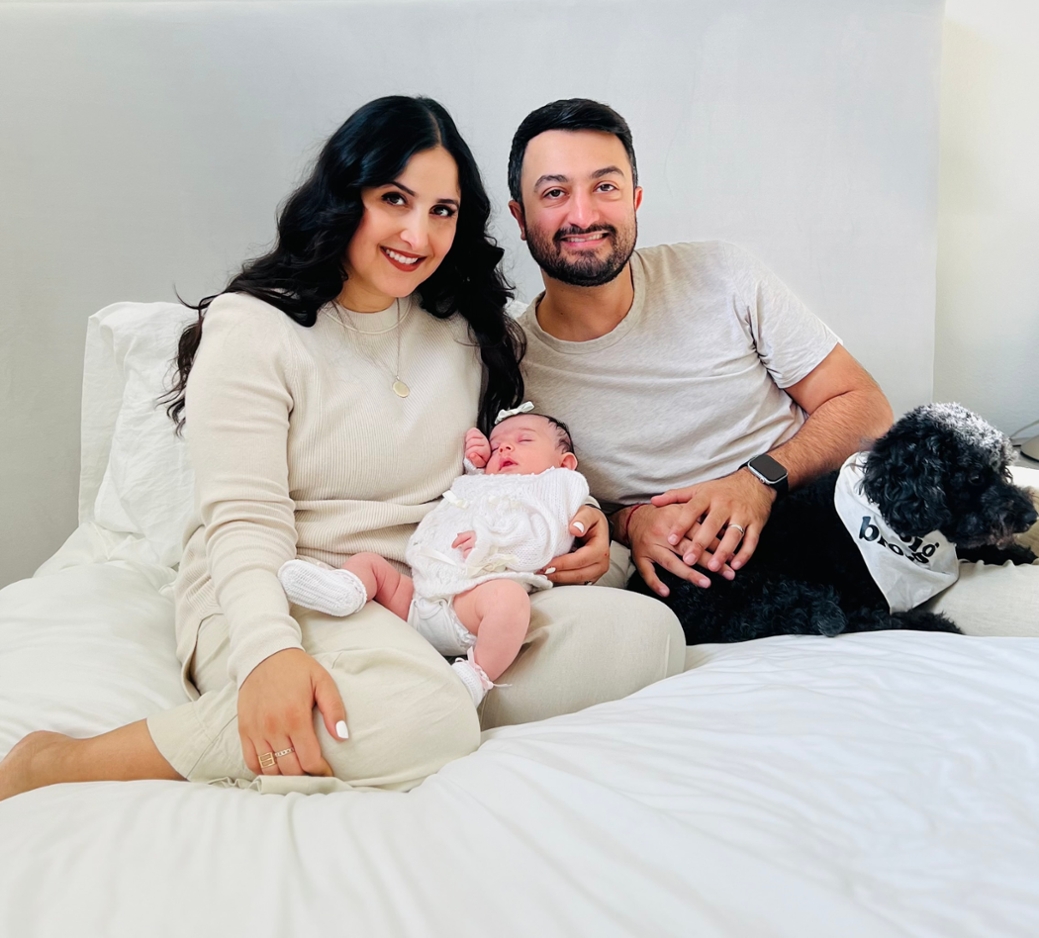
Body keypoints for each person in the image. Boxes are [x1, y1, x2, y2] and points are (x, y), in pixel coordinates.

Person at [0, 96, 684, 803]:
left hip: (426, 599)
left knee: (648, 636)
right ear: (345, 194)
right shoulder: (253, 326)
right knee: (428, 719)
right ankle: (62, 763)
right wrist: (268, 652)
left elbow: (497, 481)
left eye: (442, 211)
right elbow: (243, 519)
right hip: (284, 590)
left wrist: (584, 527)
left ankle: (398, 696)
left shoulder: (464, 332)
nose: (417, 234)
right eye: (394, 199)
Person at [506, 97, 896, 598]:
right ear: (520, 217)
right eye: (555, 193)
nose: (583, 215)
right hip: (690, 578)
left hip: (816, 516)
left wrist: (758, 481)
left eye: (605, 187)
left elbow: (865, 406)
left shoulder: (722, 274)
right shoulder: (511, 366)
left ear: (635, 200)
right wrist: (631, 522)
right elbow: (538, 494)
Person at [278, 406, 590, 708]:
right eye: (497, 446)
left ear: (564, 463)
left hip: (472, 606)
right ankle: (346, 589)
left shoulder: (555, 487)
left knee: (510, 601)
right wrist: (476, 462)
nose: (505, 447)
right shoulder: (484, 480)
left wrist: (493, 541)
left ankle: (475, 676)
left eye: (524, 440)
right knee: (370, 563)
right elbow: (472, 498)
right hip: (418, 596)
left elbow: (548, 538)